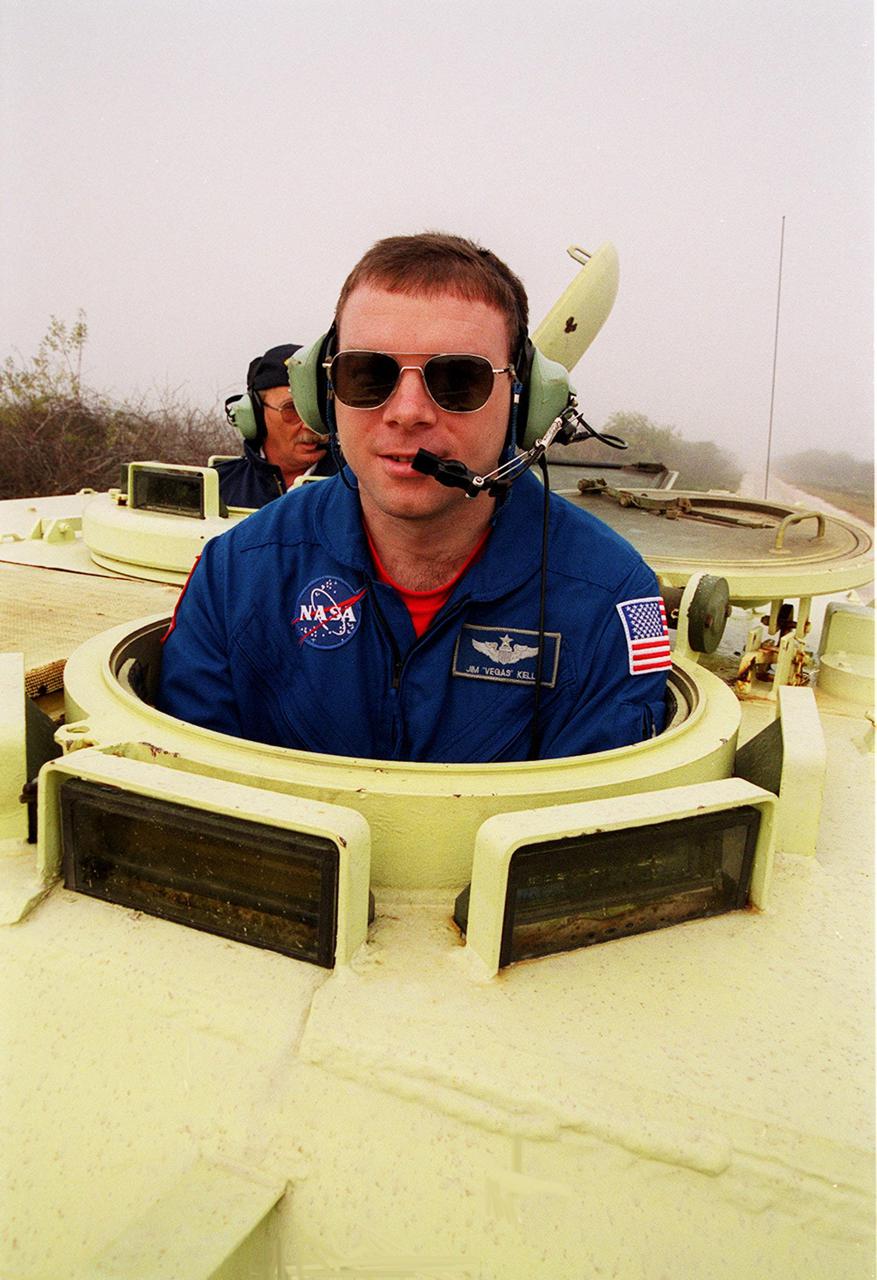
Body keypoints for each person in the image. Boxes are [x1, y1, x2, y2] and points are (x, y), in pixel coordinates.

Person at [158, 233, 669, 762]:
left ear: (525, 401)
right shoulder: (235, 574)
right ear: (322, 391)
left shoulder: (613, 595)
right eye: (367, 374)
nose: (407, 412)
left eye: (457, 379)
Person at [215, 344, 336, 507]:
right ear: (255, 414)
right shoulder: (217, 486)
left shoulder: (359, 488)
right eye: (292, 409)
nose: (311, 425)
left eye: (318, 409)